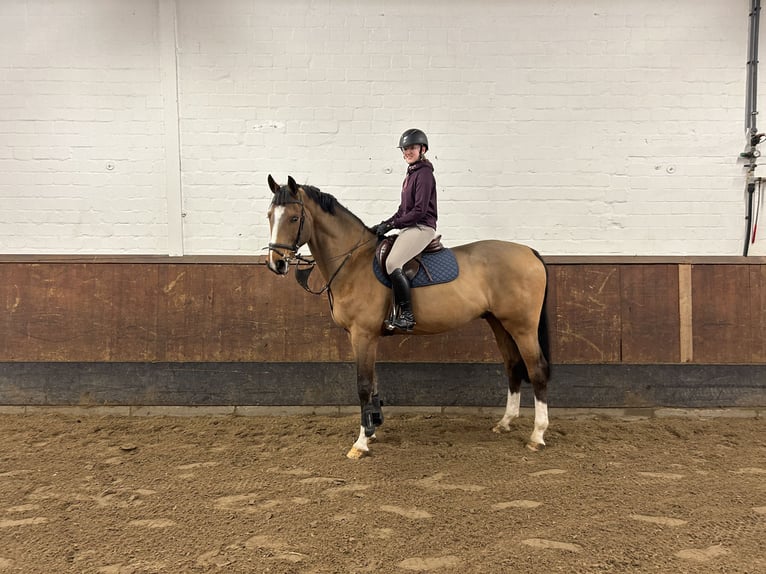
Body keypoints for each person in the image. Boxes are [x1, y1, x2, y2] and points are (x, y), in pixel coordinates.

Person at [373, 128, 438, 331]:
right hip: (411, 227)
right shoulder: (410, 175)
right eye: (405, 148)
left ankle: (408, 316)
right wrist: (384, 224)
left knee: (393, 262)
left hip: (422, 227)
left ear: (422, 149)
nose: (407, 152)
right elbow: (403, 210)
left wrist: (393, 225)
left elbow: (418, 211)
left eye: (411, 148)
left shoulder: (424, 174)